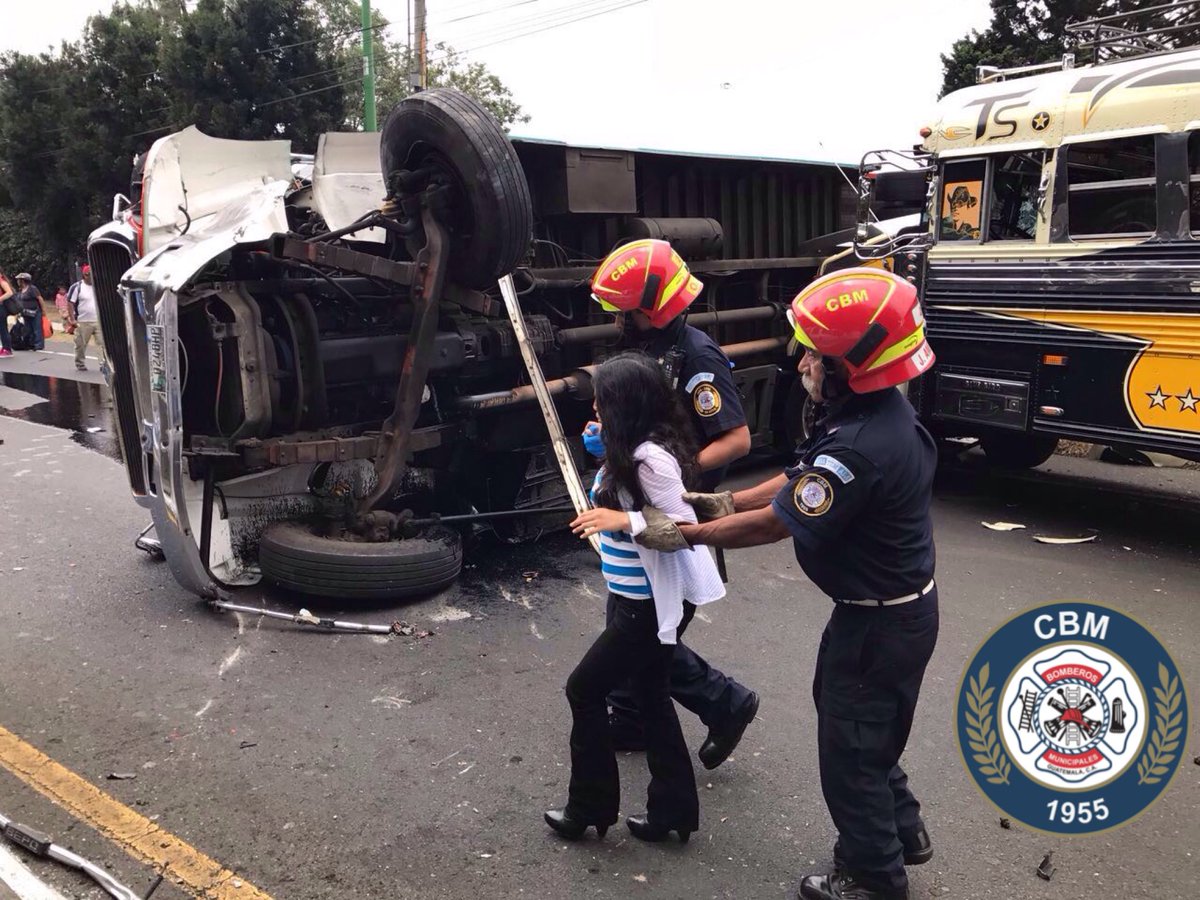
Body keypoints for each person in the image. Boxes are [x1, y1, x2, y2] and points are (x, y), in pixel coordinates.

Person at [636, 268, 940, 900]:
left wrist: (687, 534)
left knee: (850, 751)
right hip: (890, 615)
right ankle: (903, 831)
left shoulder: (859, 446)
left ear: (854, 365)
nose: (801, 360)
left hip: (877, 624)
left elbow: (776, 525)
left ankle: (872, 877)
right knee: (865, 728)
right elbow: (798, 479)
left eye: (814, 353)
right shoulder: (873, 413)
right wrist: (722, 502)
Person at [587, 238, 759, 770]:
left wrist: (663, 472)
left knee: (641, 632)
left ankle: (727, 702)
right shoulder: (646, 345)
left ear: (652, 304)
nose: (618, 316)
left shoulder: (698, 356)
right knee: (631, 620)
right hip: (640, 514)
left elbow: (736, 441)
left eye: (625, 307)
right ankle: (632, 718)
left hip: (674, 518)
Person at [544, 353, 725, 845]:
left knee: (583, 689)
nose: (595, 404)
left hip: (646, 605)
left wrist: (626, 522)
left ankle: (589, 808)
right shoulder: (633, 451)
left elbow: (691, 529)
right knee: (650, 695)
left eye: (602, 398)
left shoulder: (653, 461)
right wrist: (601, 454)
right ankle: (673, 812)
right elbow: (621, 495)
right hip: (635, 597)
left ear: (624, 404)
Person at [67, 265, 104, 372]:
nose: (91, 277)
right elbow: (70, 303)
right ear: (85, 275)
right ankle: (80, 363)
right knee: (81, 344)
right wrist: (72, 319)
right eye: (89, 275)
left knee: (101, 344)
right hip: (83, 321)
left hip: (98, 320)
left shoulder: (99, 287)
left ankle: (103, 364)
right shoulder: (77, 287)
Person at [14, 273, 46, 351]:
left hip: (35, 312)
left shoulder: (32, 289)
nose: (18, 282)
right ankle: (30, 344)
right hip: (25, 313)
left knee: (37, 328)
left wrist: (43, 310)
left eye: (19, 280)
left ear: (23, 281)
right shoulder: (20, 290)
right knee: (28, 329)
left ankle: (39, 345)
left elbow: (40, 299)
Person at [0, 268, 14, 358]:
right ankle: (5, 347)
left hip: (1, 308)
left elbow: (9, 292)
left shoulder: (1, 281)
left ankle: (7, 349)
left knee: (3, 328)